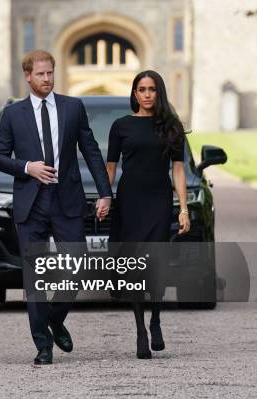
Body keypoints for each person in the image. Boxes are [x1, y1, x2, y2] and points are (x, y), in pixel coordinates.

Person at [0, 50, 112, 365]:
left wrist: (105, 192)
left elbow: (91, 150)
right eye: (41, 74)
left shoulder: (73, 108)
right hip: (31, 202)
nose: (47, 79)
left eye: (50, 73)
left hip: (66, 199)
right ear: (28, 76)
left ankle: (55, 319)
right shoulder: (13, 114)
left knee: (77, 266)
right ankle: (43, 345)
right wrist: (27, 167)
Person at [106, 70, 190, 359]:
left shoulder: (171, 127)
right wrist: (106, 197)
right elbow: (110, 167)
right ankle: (140, 329)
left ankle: (155, 319)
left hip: (159, 200)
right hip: (130, 200)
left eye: (151, 89)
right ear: (134, 93)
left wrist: (183, 209)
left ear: (159, 92)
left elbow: (178, 170)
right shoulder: (121, 126)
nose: (146, 94)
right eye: (141, 89)